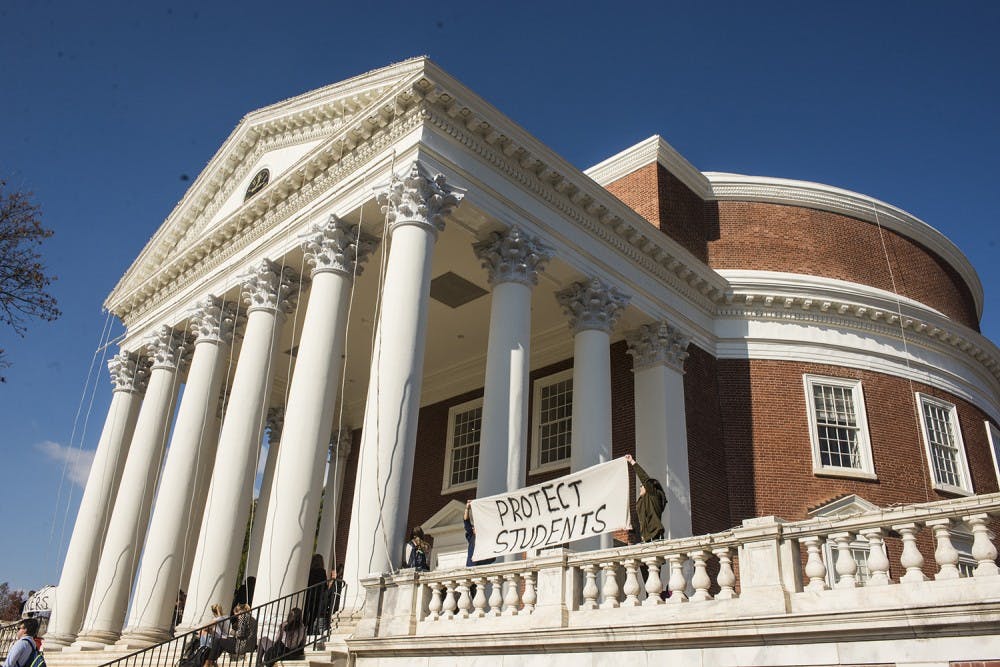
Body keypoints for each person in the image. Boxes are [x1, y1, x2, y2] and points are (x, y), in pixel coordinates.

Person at [625, 454, 667, 542]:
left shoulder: (653, 495)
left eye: (642, 486)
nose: (640, 487)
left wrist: (632, 462)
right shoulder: (643, 501)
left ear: (649, 488)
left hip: (655, 536)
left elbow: (644, 478)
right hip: (646, 538)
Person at [464, 500, 496, 567]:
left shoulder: (486, 539)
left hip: (482, 569)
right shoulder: (472, 537)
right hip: (471, 568)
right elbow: (466, 521)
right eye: (474, 527)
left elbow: (493, 558)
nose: (474, 528)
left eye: (477, 527)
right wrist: (467, 509)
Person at [304, 554, 326, 634]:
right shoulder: (322, 571)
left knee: (305, 613)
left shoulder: (309, 571)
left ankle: (303, 629)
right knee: (313, 615)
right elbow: (324, 586)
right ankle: (309, 631)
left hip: (308, 595)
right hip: (317, 597)